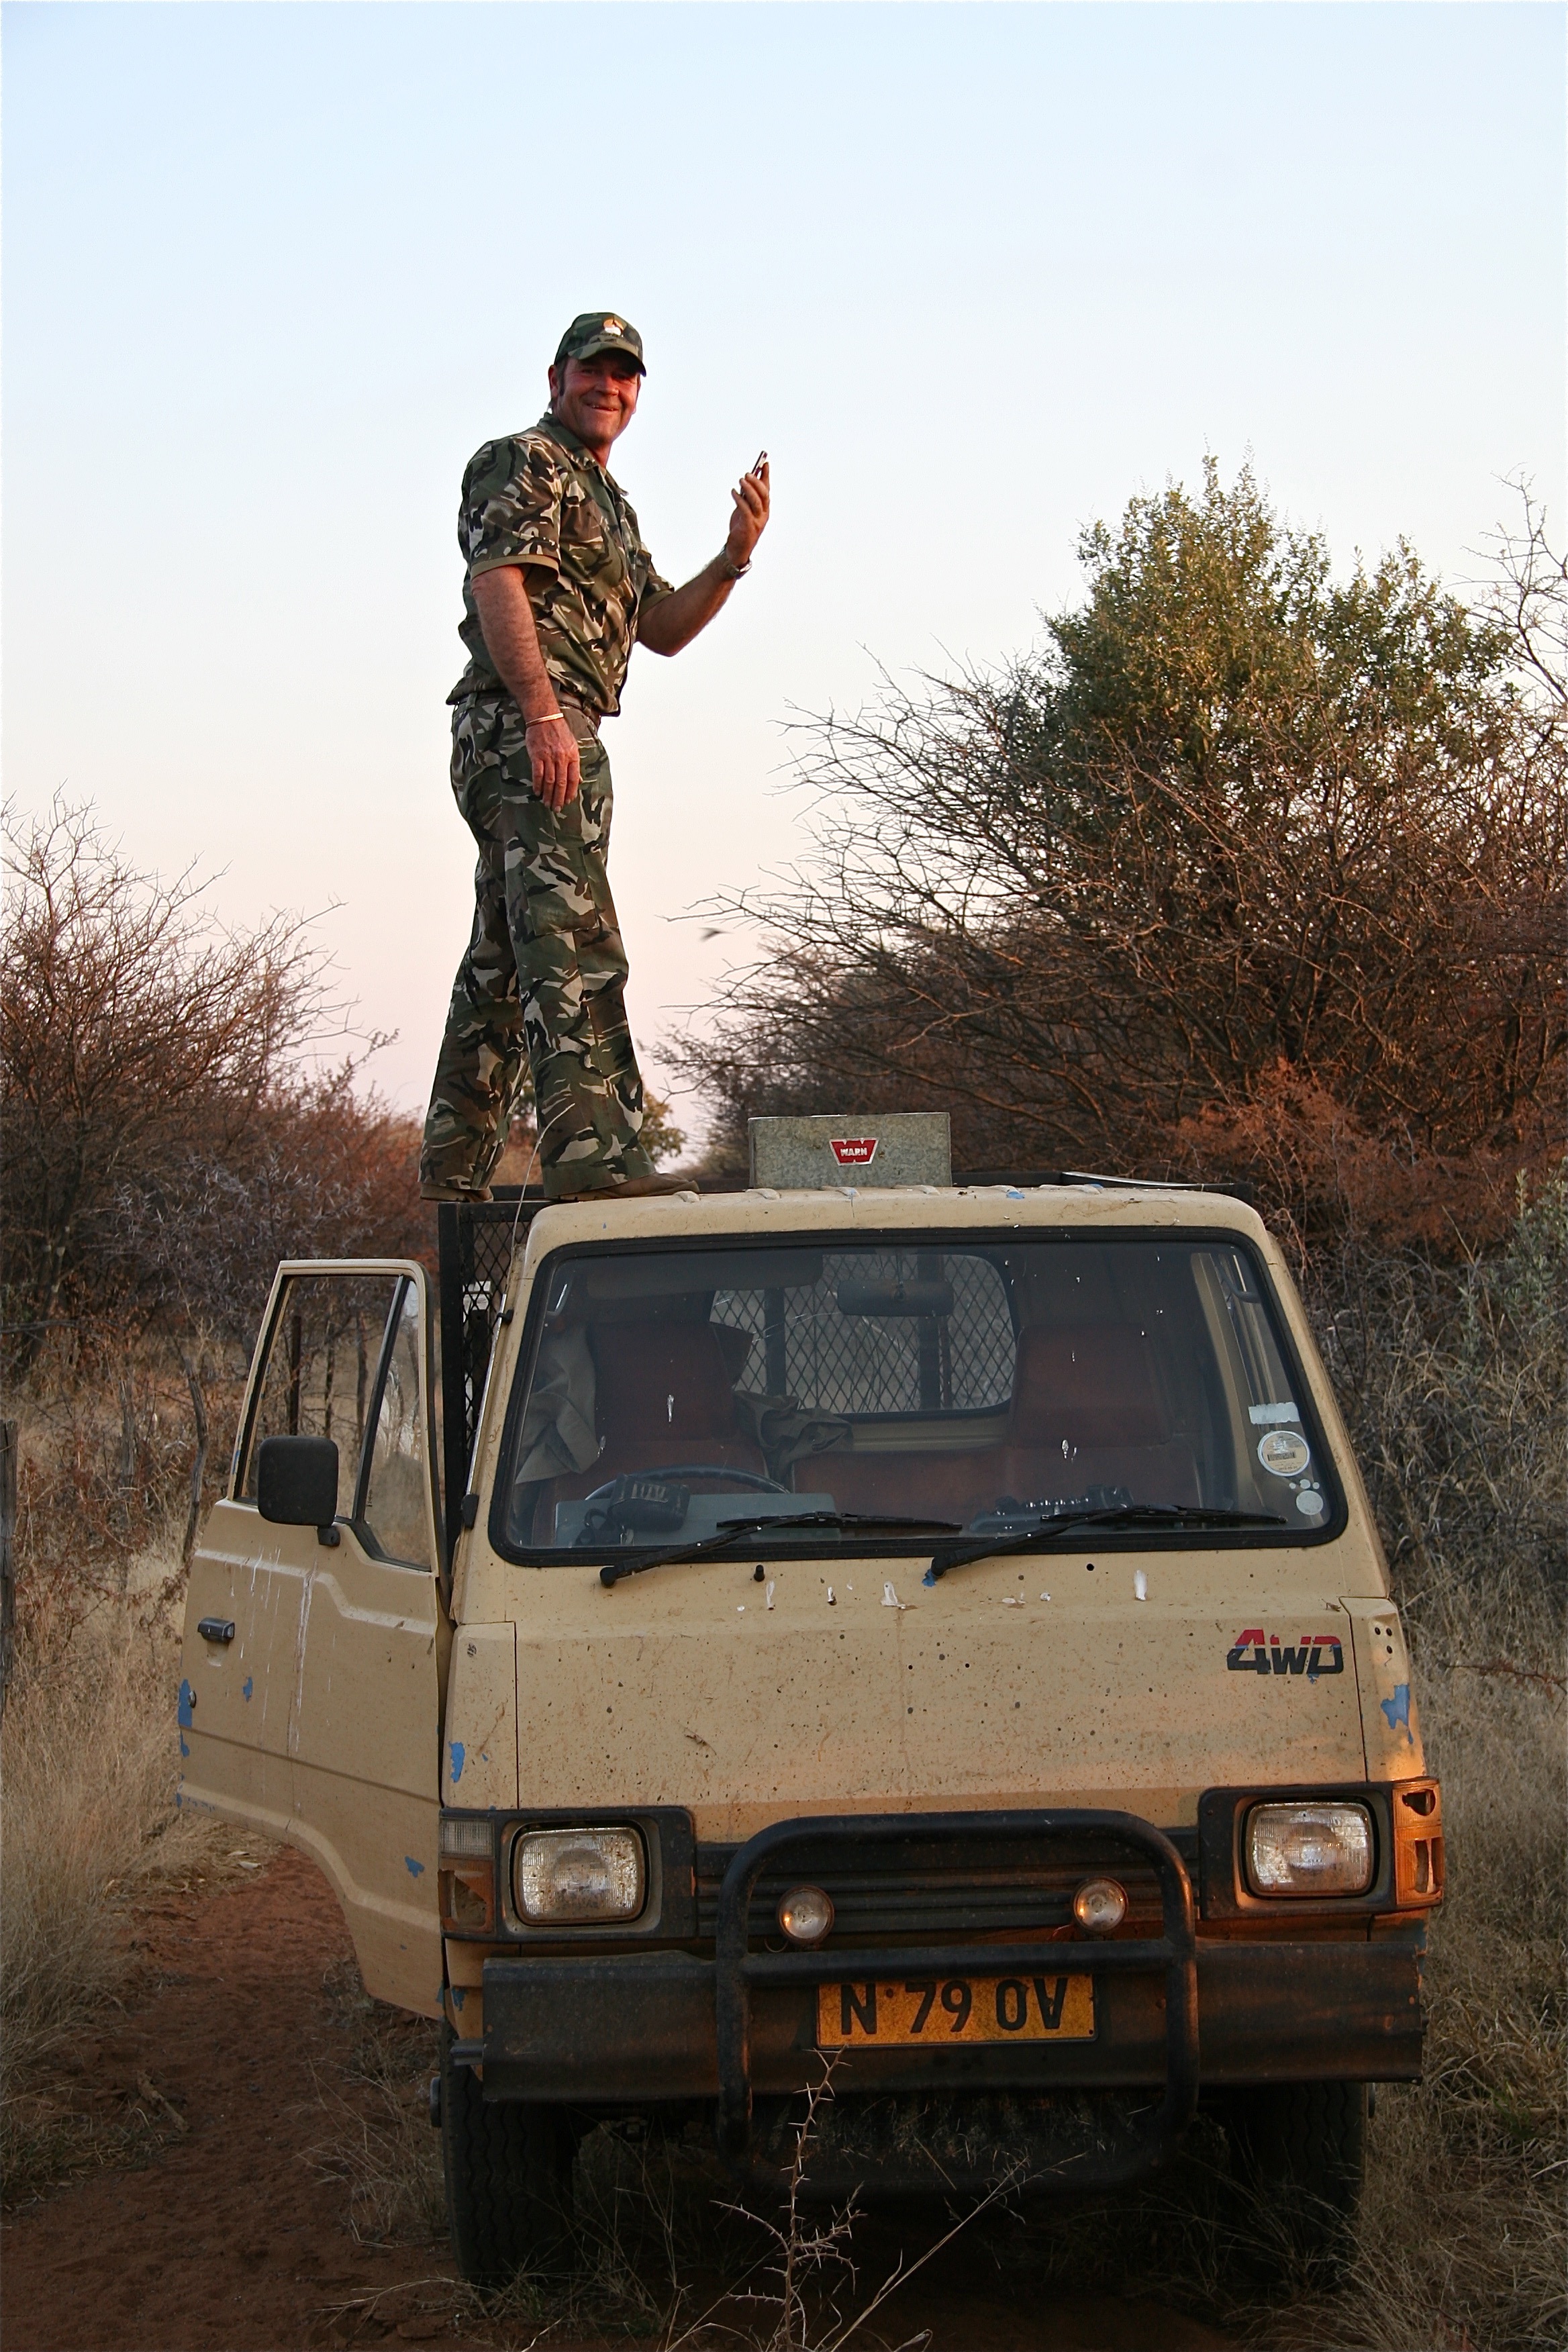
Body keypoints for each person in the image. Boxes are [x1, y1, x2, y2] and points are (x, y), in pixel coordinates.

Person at [419, 311, 770, 1204]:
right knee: (571, 938)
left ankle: (455, 1170)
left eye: (624, 376)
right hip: (526, 722)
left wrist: (733, 559)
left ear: (637, 392)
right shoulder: (523, 461)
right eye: (592, 371)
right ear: (556, 377)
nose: (607, 387)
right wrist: (541, 714)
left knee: (508, 948)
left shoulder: (608, 500)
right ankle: (597, 1167)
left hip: (562, 726)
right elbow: (498, 582)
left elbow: (660, 629)